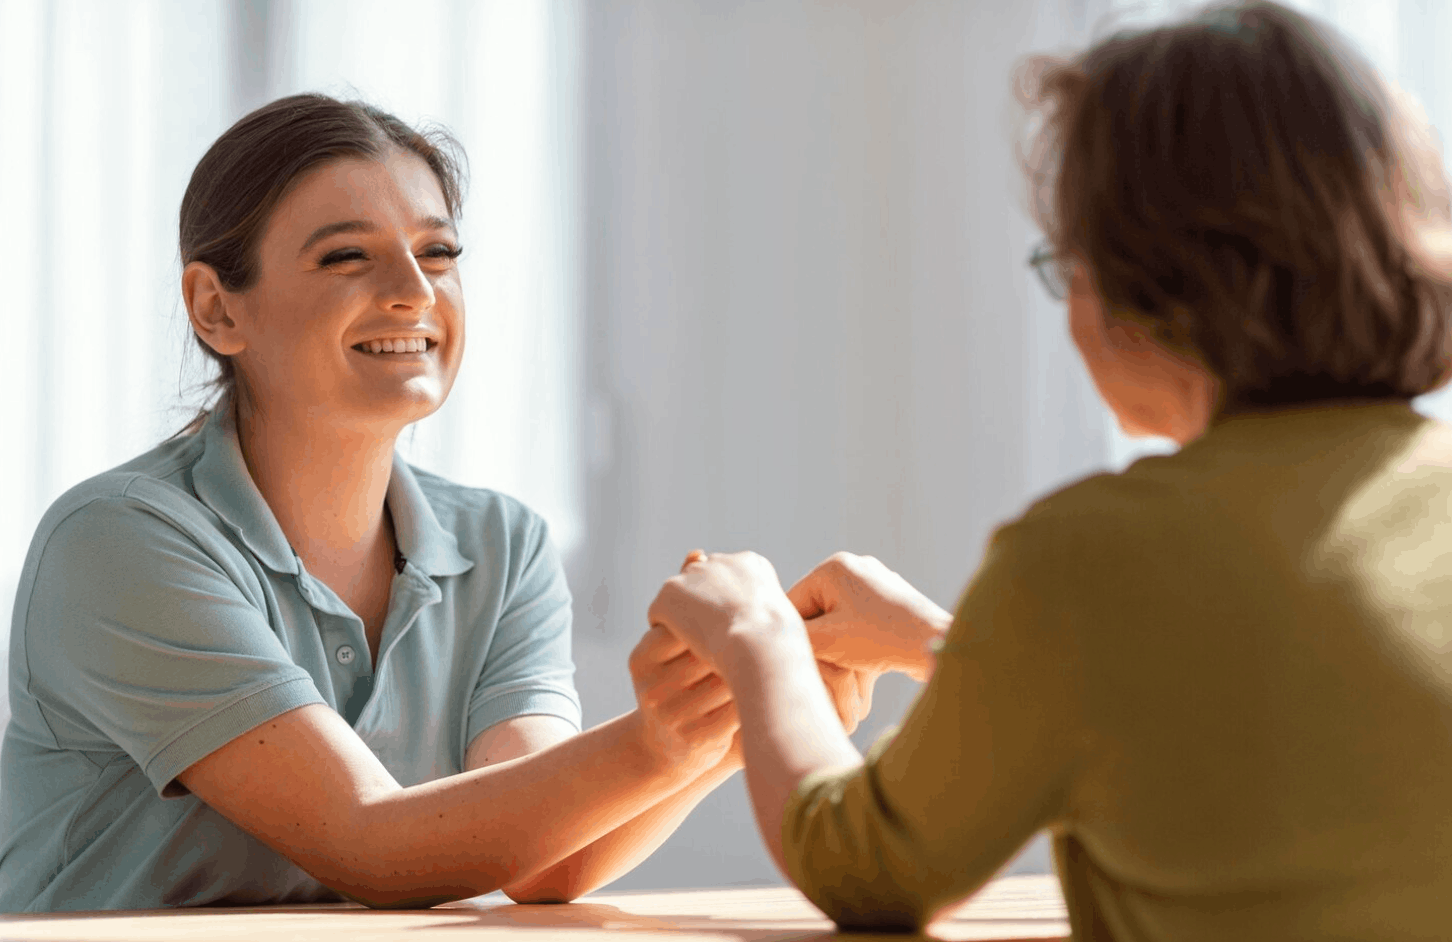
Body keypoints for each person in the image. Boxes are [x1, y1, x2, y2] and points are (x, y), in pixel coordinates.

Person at [644, 3, 1452, 939]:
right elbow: (1271, 712)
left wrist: (758, 644)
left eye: (1066, 263)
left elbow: (869, 865)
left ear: (1146, 284)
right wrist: (952, 648)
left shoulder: (1088, 559)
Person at [0, 94, 872, 912]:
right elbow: (368, 842)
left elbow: (546, 858)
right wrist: (665, 734)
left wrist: (747, 706)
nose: (415, 289)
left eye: (440, 252)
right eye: (347, 255)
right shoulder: (119, 542)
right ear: (216, 308)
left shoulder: (502, 544)